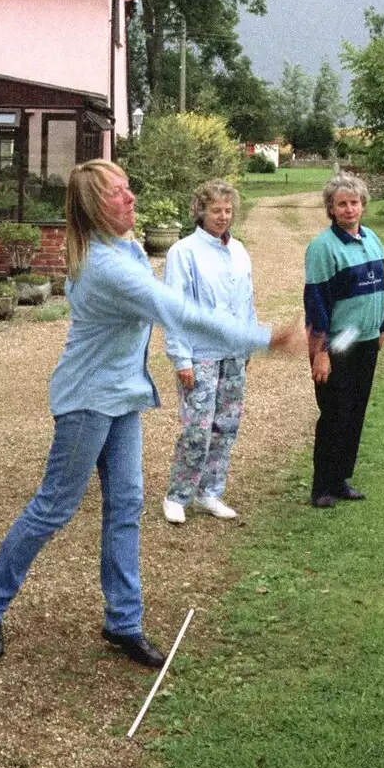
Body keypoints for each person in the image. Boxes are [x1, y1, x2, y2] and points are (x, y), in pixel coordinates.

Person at [0, 160, 302, 666]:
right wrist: (268, 337)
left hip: (123, 396)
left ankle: (123, 621)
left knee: (126, 506)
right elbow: (180, 314)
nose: (132, 198)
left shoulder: (121, 248)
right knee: (55, 507)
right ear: (95, 207)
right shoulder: (108, 267)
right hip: (87, 400)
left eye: (129, 189)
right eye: (119, 193)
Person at [160, 179, 254, 525]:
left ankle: (210, 492)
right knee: (196, 427)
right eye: (216, 210)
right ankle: (177, 494)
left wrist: (248, 344)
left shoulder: (239, 251)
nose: (223, 216)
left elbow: (247, 301)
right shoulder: (183, 252)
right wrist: (180, 358)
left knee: (226, 425)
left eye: (228, 210)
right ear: (201, 212)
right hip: (199, 354)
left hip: (233, 353)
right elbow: (173, 309)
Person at [303, 172, 384, 509]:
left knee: (354, 413)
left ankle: (341, 480)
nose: (349, 209)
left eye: (354, 202)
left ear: (363, 206)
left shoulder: (373, 240)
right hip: (337, 343)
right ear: (331, 209)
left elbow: (379, 287)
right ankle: (321, 486)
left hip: (366, 340)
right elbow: (316, 302)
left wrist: (382, 325)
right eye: (342, 204)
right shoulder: (323, 248)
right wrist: (320, 352)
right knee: (334, 414)